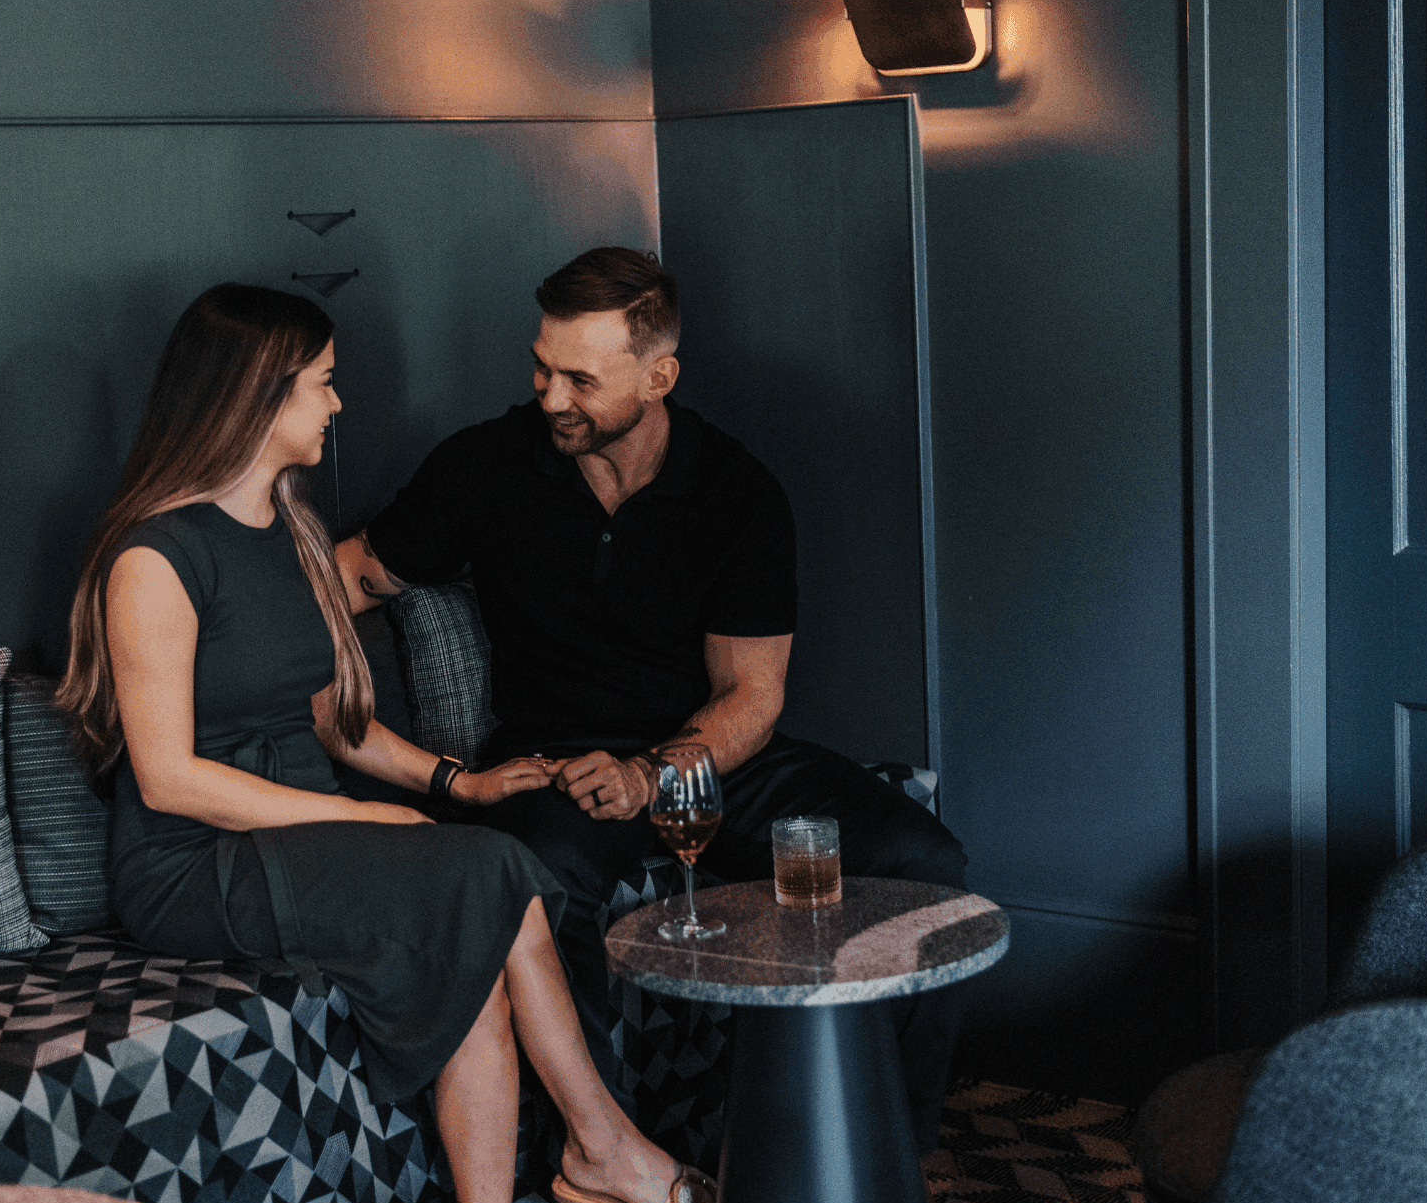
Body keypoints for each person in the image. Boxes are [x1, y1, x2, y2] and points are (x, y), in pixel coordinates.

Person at [55, 284, 715, 1203]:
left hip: (300, 838)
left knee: (477, 912)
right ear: (256, 395)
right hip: (189, 863)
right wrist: (361, 815)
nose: (336, 403)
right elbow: (169, 779)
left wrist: (460, 781)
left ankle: (556, 1176)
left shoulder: (291, 531)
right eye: (321, 384)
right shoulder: (155, 559)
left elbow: (335, 721)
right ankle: (603, 1145)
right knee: (487, 875)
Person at [337, 247, 971, 1153]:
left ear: (659, 375)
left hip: (705, 756)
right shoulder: (485, 465)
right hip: (554, 767)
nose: (553, 397)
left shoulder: (735, 492)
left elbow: (750, 693)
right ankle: (609, 1167)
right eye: (542, 367)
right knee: (533, 896)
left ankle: (880, 1157)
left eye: (581, 380)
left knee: (921, 864)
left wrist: (651, 774)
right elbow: (352, 575)